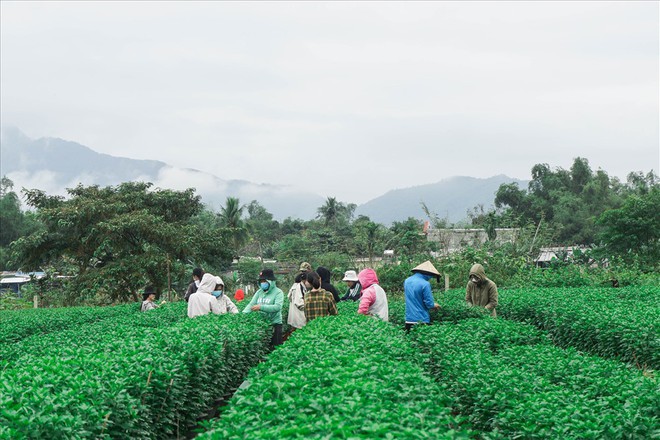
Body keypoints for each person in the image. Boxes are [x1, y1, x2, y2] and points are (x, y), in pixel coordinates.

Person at [242, 269, 284, 347]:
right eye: (261, 281)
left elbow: (277, 307)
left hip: (275, 324)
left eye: (264, 281)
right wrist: (243, 314)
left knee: (275, 347)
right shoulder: (259, 292)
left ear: (270, 281)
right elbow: (251, 304)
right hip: (263, 324)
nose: (262, 283)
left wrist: (261, 307)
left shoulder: (278, 292)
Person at [404, 261, 441, 331]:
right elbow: (429, 304)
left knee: (409, 340)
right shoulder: (425, 284)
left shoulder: (407, 281)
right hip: (422, 319)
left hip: (409, 319)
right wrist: (434, 305)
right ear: (428, 274)